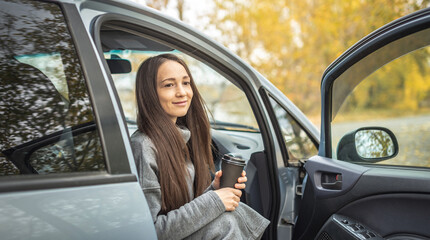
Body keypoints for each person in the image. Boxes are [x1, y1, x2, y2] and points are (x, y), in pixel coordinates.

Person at [130, 53, 270, 239]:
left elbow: (182, 209)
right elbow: (151, 231)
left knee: (232, 213)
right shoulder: (143, 146)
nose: (182, 92)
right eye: (169, 85)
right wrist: (214, 201)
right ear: (150, 93)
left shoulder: (180, 137)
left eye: (186, 82)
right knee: (225, 221)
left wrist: (214, 189)